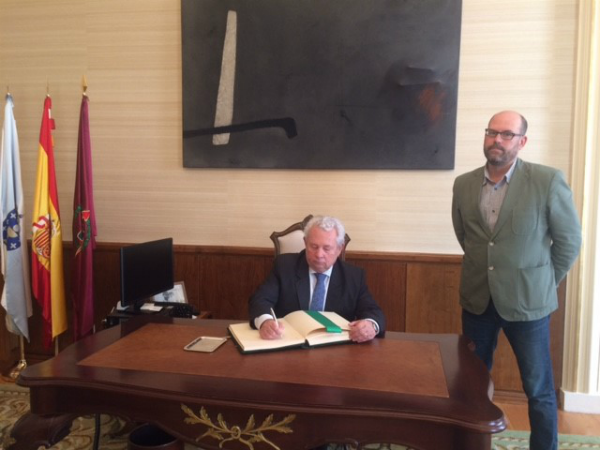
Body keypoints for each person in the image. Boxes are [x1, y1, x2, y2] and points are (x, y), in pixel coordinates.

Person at [451, 110, 582, 450]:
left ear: (522, 142)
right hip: (478, 300)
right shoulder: (463, 184)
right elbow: (467, 236)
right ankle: (474, 444)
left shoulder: (547, 180)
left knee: (538, 389)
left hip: (529, 304)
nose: (497, 139)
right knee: (472, 384)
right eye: (492, 132)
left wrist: (544, 282)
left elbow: (569, 241)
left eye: (507, 134)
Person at [249, 215, 385, 343]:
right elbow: (260, 300)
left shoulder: (353, 276)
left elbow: (373, 312)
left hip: (335, 349)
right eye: (313, 247)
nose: (319, 254)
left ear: (339, 248)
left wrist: (370, 325)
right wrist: (265, 322)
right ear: (305, 243)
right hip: (290, 344)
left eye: (327, 248)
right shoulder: (284, 266)